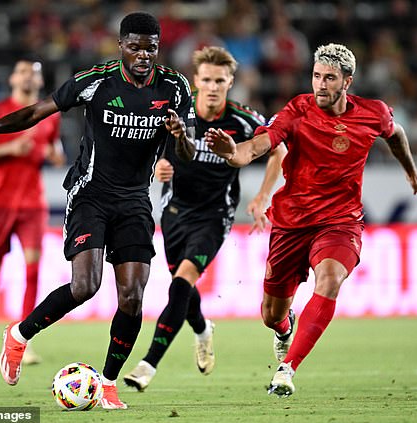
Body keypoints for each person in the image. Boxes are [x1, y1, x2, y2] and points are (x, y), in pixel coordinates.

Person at [0, 12, 195, 410]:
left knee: (133, 295)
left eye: (149, 48)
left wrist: (180, 135)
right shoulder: (95, 80)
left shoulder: (175, 88)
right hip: (90, 195)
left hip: (135, 199)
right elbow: (36, 112)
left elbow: (185, 153)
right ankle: (18, 334)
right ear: (121, 45)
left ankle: (109, 383)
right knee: (86, 285)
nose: (142, 55)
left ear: (158, 47)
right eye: (134, 46)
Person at [205, 43, 417, 397]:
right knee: (270, 314)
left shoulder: (373, 113)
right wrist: (233, 153)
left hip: (340, 221)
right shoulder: (297, 110)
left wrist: (411, 175)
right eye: (316, 76)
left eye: (329, 78)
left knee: (330, 279)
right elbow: (259, 146)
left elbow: (397, 135)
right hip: (291, 223)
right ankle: (284, 330)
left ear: (347, 82)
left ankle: (287, 369)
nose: (321, 84)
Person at [123, 46, 286, 391]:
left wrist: (262, 196)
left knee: (181, 283)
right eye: (207, 80)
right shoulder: (175, 113)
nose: (213, 87)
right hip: (174, 211)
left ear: (230, 83)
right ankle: (202, 329)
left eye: (220, 81)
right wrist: (158, 166)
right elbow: (143, 145)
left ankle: (147, 365)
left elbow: (279, 150)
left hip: (214, 215)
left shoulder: (243, 119)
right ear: (196, 81)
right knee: (183, 287)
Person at [0, 59, 65, 368]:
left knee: (33, 272)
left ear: (39, 81)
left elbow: (56, 150)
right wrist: (9, 150)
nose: (27, 77)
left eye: (33, 73)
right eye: (22, 71)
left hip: (32, 205)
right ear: (13, 78)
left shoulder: (48, 115)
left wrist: (54, 156)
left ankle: (23, 340)